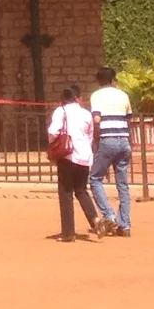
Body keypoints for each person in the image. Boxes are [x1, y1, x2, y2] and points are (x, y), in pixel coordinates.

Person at [46, 84, 99, 241]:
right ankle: (95, 220)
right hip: (84, 156)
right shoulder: (86, 114)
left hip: (67, 156)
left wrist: (54, 145)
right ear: (78, 98)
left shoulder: (60, 111)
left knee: (66, 193)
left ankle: (68, 233)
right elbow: (90, 135)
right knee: (81, 190)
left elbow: (53, 132)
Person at [88, 66, 133, 237]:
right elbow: (129, 117)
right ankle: (125, 224)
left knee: (95, 178)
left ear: (99, 81)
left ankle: (109, 216)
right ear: (114, 80)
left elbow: (97, 119)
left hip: (107, 140)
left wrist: (95, 140)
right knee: (122, 184)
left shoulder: (97, 96)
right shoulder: (123, 95)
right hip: (124, 141)